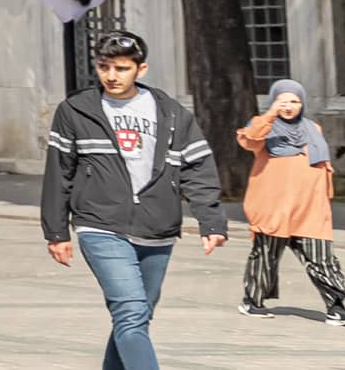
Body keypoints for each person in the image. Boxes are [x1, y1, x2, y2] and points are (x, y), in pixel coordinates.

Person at [40, 28, 225, 370]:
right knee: (131, 311)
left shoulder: (172, 113)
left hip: (157, 227)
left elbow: (198, 167)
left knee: (136, 317)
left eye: (121, 68)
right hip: (100, 225)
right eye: (104, 67)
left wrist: (211, 221)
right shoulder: (76, 110)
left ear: (141, 69)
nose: (111, 76)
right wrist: (56, 231)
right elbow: (58, 173)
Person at [238, 78, 345, 325]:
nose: (289, 106)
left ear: (302, 104)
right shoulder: (263, 126)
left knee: (322, 258)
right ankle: (253, 302)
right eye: (283, 101)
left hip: (309, 208)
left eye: (294, 101)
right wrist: (270, 114)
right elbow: (249, 140)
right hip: (274, 207)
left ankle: (337, 307)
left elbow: (322, 166)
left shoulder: (313, 128)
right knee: (265, 256)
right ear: (273, 102)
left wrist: (325, 199)